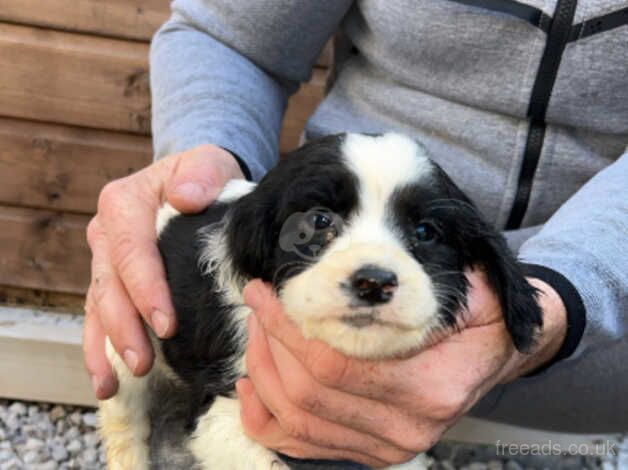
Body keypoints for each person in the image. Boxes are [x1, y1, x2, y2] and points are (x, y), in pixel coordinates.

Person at [84, 1, 628, 467]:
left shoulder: (501, 288)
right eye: (321, 226)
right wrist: (200, 161)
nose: (371, 273)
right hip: (295, 333)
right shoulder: (244, 262)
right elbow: (229, 33)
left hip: (596, 358)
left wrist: (565, 294)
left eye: (424, 230)